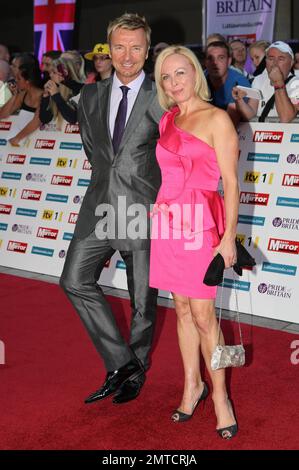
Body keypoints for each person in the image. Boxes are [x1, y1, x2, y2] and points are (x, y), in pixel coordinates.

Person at [60, 13, 163, 405]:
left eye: (136, 47)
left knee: (142, 303)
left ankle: (135, 370)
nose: (127, 55)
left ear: (147, 50)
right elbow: (94, 152)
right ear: (108, 47)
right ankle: (123, 362)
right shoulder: (88, 96)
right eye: (119, 46)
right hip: (99, 205)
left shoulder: (162, 95)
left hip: (141, 208)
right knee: (73, 280)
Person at [150, 45, 239, 439]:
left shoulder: (217, 118)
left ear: (196, 74)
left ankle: (221, 396)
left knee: (205, 316)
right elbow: (168, 173)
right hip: (169, 224)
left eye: (180, 73)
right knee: (181, 309)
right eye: (166, 77)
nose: (174, 83)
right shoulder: (167, 119)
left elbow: (233, 185)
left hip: (202, 224)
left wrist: (228, 240)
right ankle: (193, 385)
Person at [232, 41, 299, 122]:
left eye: (281, 59)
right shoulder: (259, 79)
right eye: (271, 58)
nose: (275, 63)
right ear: (266, 62)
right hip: (261, 132)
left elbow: (286, 118)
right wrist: (239, 100)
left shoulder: (296, 84)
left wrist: (278, 83)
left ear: (291, 63)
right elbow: (251, 114)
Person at [205, 41, 251, 126]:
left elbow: (230, 122)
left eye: (221, 58)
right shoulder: (197, 80)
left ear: (229, 61)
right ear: (205, 62)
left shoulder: (239, 82)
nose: (215, 63)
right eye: (210, 58)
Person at [0, 58, 43, 146]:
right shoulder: (22, 95)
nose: (15, 80)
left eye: (19, 79)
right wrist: (14, 96)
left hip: (37, 142)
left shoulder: (43, 96)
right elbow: (3, 114)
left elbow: (37, 121)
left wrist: (17, 138)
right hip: (25, 142)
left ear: (28, 81)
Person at [39, 57, 84, 127]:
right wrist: (45, 97)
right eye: (50, 72)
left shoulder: (80, 89)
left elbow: (73, 118)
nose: (50, 75)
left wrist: (56, 96)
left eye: (54, 72)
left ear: (65, 73)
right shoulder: (55, 88)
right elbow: (45, 119)